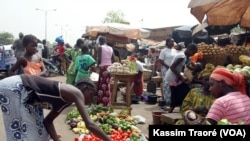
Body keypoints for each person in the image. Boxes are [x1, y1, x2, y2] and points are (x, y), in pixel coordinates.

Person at [0, 74, 112, 141]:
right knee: (17, 130)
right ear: (84, 88)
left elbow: (48, 121)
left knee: (40, 134)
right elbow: (90, 124)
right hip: (14, 87)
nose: (89, 100)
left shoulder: (66, 101)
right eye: (91, 95)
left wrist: (56, 139)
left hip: (27, 95)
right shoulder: (76, 92)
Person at [165, 43, 198, 113]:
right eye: (193, 52)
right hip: (173, 76)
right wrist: (181, 77)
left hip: (175, 77)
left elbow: (182, 67)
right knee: (185, 92)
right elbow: (172, 67)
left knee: (175, 93)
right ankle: (182, 109)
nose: (193, 54)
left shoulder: (183, 55)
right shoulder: (182, 56)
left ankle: (171, 110)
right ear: (190, 49)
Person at [96, 36, 115, 106]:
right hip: (109, 67)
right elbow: (113, 59)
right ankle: (107, 102)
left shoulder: (100, 48)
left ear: (100, 42)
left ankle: (101, 102)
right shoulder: (110, 48)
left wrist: (97, 65)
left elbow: (99, 59)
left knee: (102, 85)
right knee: (107, 85)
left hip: (103, 67)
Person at [158, 37, 175, 105]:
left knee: (173, 84)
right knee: (166, 84)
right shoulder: (164, 51)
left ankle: (172, 99)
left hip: (173, 69)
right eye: (171, 42)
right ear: (167, 43)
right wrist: (167, 66)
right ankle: (166, 100)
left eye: (173, 42)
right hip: (166, 69)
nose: (173, 43)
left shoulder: (174, 51)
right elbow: (160, 60)